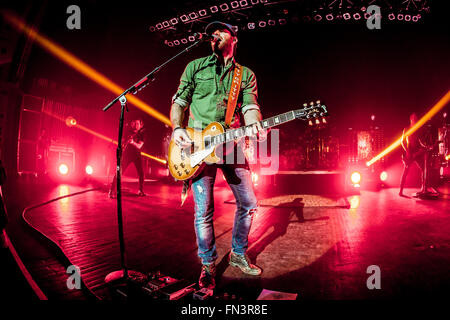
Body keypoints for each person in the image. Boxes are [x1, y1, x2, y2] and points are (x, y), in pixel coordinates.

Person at [170, 21, 265, 290]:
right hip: (198, 145)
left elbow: (249, 105)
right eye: (213, 32)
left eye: (222, 30)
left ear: (234, 39)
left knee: (248, 202)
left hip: (231, 141)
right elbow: (179, 101)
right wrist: (178, 127)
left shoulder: (244, 74)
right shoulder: (194, 66)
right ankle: (208, 264)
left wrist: (254, 121)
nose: (216, 35)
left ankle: (237, 254)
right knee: (204, 211)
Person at [109, 119, 146, 198]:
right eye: (134, 123)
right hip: (127, 155)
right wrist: (125, 141)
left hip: (137, 155)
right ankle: (111, 191)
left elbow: (139, 146)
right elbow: (122, 143)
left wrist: (133, 142)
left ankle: (141, 190)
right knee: (119, 172)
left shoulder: (142, 134)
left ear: (140, 125)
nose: (136, 125)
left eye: (137, 123)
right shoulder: (127, 132)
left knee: (141, 173)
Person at [399, 113, 426, 197]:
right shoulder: (406, 129)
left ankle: (423, 187)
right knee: (405, 171)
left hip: (416, 152)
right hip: (409, 152)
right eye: (413, 118)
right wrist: (407, 151)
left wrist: (420, 151)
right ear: (410, 119)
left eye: (416, 118)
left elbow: (421, 142)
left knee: (423, 169)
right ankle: (400, 191)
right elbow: (402, 141)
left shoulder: (418, 129)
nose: (415, 119)